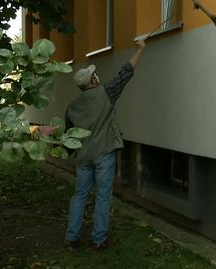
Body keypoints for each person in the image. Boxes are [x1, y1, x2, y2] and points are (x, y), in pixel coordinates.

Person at [64, 38, 146, 250]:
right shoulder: (106, 93)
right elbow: (126, 73)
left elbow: (68, 136)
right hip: (103, 155)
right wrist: (140, 49)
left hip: (83, 158)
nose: (97, 76)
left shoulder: (72, 106)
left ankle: (71, 237)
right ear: (93, 81)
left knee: (80, 195)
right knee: (103, 196)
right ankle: (99, 240)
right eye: (94, 75)